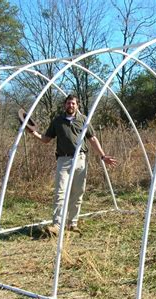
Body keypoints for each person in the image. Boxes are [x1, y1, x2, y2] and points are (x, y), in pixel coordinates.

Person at [26, 94, 117, 236]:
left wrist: (103, 156)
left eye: (73, 103)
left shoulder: (83, 120)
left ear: (77, 105)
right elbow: (46, 139)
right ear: (65, 105)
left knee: (78, 192)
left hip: (80, 160)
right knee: (60, 192)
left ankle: (72, 223)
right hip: (64, 160)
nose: (71, 106)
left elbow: (92, 138)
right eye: (68, 103)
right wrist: (34, 133)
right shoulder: (57, 121)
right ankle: (57, 225)